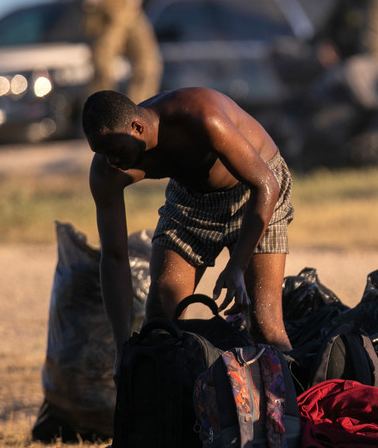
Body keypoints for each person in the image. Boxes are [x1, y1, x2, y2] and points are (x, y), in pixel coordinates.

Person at [83, 87, 295, 371]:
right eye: (101, 153)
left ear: (137, 127)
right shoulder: (107, 170)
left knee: (266, 327)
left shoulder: (201, 116)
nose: (111, 161)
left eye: (114, 151)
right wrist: (123, 350)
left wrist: (236, 266)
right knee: (160, 319)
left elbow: (266, 185)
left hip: (256, 190)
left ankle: (290, 410)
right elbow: (113, 257)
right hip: (190, 197)